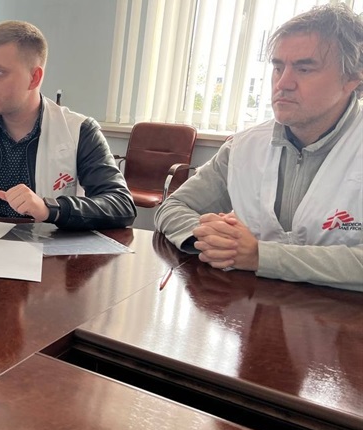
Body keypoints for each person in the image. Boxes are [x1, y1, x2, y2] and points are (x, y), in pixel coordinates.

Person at [155, 3, 362, 292]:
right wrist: (211, 238)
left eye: (304, 69)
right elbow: (172, 207)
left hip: (340, 315)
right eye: (278, 67)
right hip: (251, 307)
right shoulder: (245, 146)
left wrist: (261, 256)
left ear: (352, 78)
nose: (283, 83)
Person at [0, 20, 135, 230]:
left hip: (45, 247)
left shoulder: (79, 131)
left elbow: (121, 205)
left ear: (34, 78)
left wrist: (50, 209)